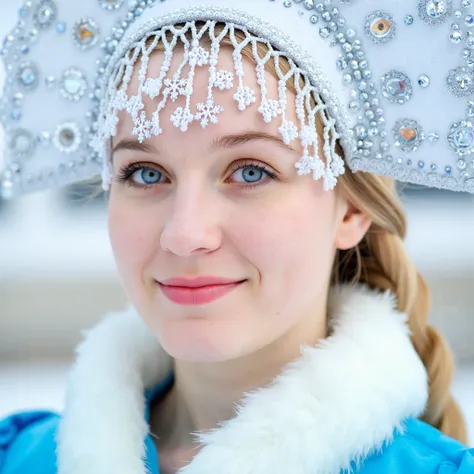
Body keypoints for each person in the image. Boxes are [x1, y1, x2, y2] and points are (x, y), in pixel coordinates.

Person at [0, 0, 473, 473]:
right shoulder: (21, 459)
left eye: (250, 171)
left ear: (351, 209)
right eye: (146, 173)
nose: (185, 235)